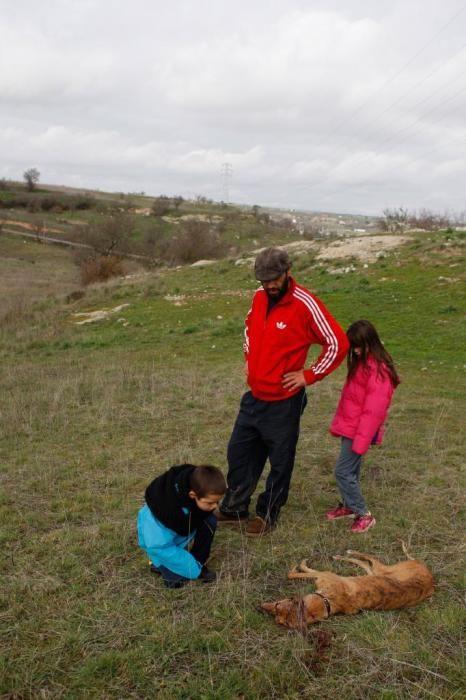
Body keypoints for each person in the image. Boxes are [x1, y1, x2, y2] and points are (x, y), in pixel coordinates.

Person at [217, 247, 349, 535]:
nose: (270, 285)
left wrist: (309, 374)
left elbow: (338, 342)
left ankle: (267, 514)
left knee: (280, 461)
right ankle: (234, 509)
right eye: (264, 280)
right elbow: (249, 329)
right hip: (255, 397)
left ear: (288, 271)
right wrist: (249, 360)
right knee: (239, 453)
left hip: (284, 402)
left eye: (274, 279)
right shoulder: (259, 297)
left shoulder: (305, 303)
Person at [326, 319, 400, 533]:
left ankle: (363, 514)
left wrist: (361, 440)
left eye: (358, 346)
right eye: (353, 346)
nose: (355, 351)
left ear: (370, 343)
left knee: (343, 471)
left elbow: (373, 413)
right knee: (351, 471)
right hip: (350, 427)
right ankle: (349, 506)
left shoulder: (378, 372)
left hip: (359, 431)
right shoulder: (363, 364)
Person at [137, 463, 226, 588]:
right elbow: (159, 547)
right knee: (175, 582)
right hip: (159, 547)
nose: (215, 506)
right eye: (210, 502)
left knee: (209, 520)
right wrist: (196, 571)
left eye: (218, 501)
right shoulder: (168, 513)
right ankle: (157, 564)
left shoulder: (196, 484)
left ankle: (197, 560)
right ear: (192, 495)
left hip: (175, 529)